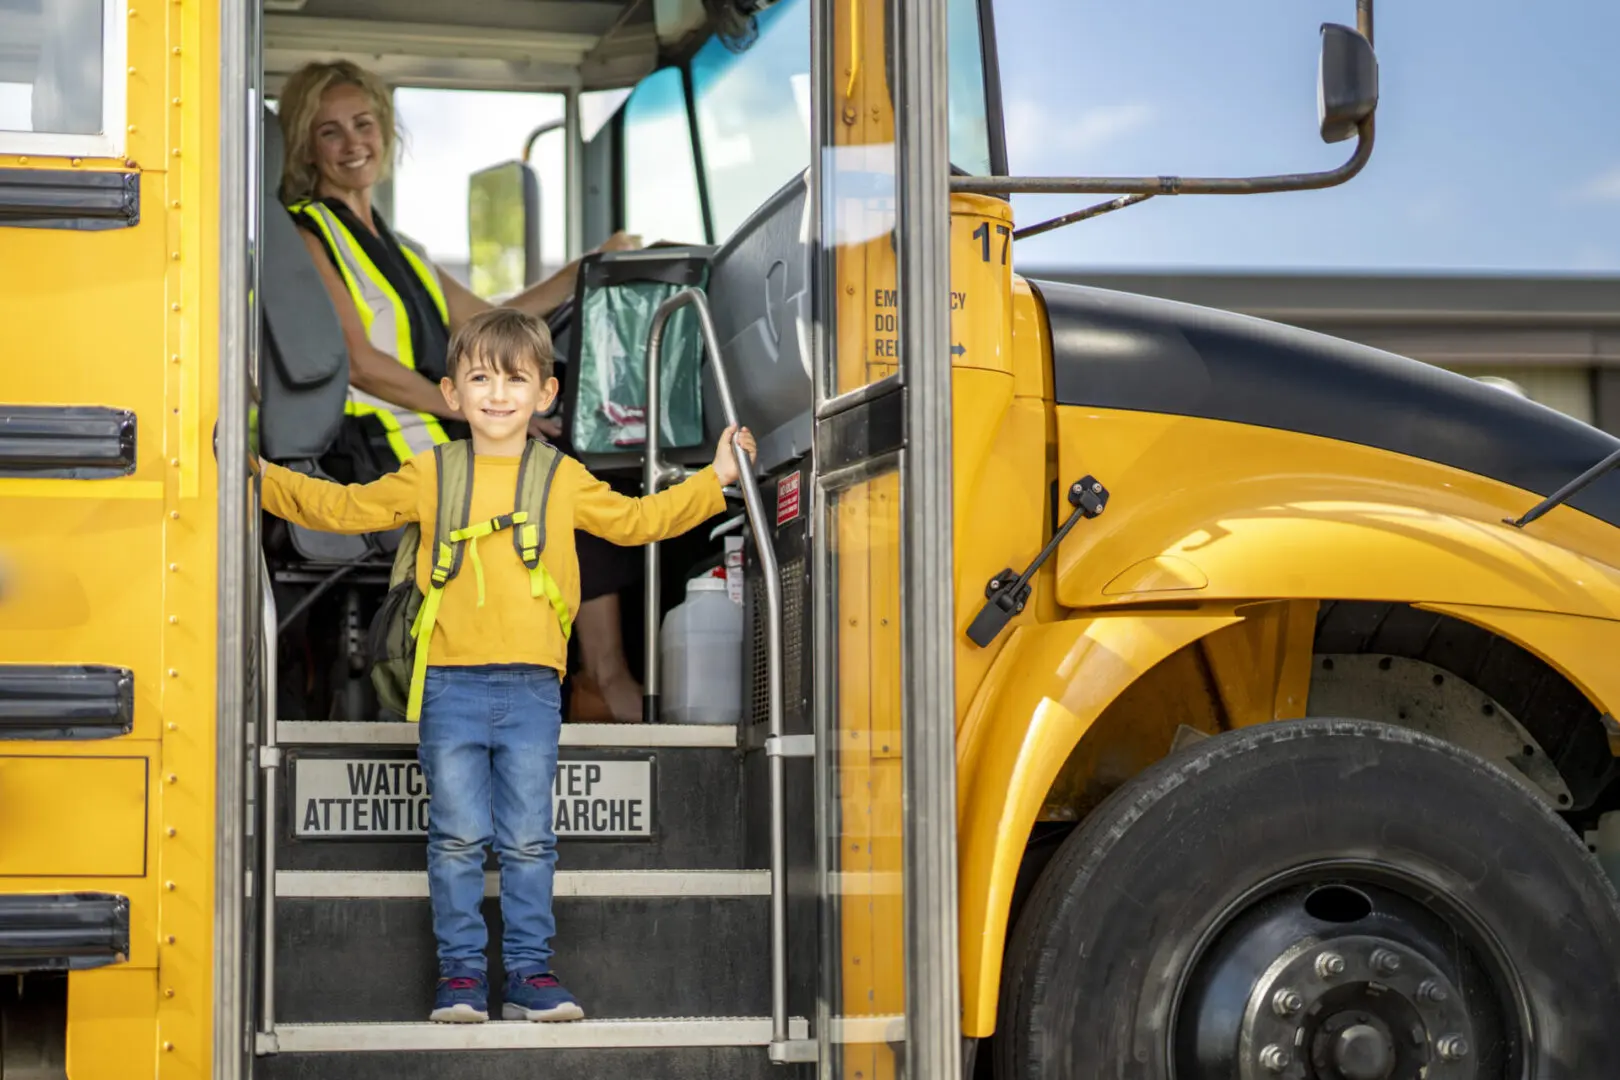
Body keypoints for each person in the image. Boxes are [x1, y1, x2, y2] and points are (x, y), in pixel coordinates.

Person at [257, 308, 755, 1021]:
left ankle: (529, 974)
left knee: (528, 840)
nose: (497, 393)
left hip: (531, 689)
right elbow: (343, 509)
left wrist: (717, 478)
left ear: (545, 394)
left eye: (515, 379)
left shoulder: (563, 476)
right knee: (457, 838)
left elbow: (638, 522)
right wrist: (260, 476)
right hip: (448, 687)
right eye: (480, 378)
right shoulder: (430, 473)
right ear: (451, 393)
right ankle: (460, 978)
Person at [275, 59, 648, 722]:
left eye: (364, 124)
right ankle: (597, 686)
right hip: (374, 455)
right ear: (307, 146)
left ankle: (599, 682)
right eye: (330, 132)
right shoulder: (310, 233)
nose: (352, 142)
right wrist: (477, 406)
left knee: (586, 477)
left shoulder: (403, 248)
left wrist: (588, 268)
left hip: (439, 444)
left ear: (386, 133)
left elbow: (491, 323)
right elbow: (356, 363)